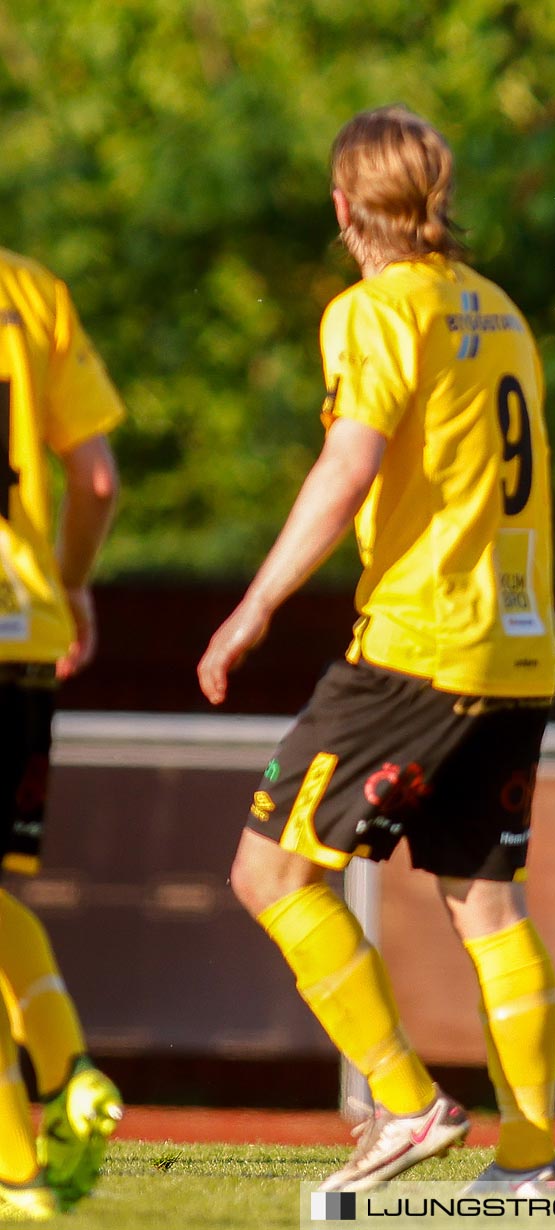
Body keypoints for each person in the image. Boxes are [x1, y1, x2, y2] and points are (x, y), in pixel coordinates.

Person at [197, 106, 555, 1195]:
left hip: (419, 644)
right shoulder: (498, 311)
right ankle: (530, 1160)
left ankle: (404, 1103)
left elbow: (348, 465)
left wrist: (255, 604)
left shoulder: (372, 312)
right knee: (486, 903)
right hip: (519, 646)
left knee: (268, 872)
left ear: (345, 205)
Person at [0, 247, 126, 1219]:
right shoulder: (32, 291)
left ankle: (17, 1168)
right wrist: (74, 581)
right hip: (22, 636)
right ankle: (68, 1068)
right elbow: (94, 481)